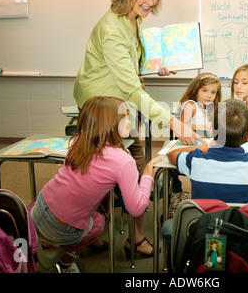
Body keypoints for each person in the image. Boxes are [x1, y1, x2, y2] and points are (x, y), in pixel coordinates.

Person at [73, 0, 202, 257]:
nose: (151, 2)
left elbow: (130, 72)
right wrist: (172, 122)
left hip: (119, 105)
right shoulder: (112, 28)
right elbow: (131, 89)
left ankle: (125, 234)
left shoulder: (134, 19)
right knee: (99, 169)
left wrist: (153, 68)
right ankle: (93, 233)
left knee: (127, 162)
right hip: (100, 108)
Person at [31, 96, 163, 272]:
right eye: (124, 118)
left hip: (38, 208)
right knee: (99, 221)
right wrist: (147, 174)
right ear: (108, 125)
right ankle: (65, 254)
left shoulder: (78, 141)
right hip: (61, 229)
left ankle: (45, 243)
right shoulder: (124, 161)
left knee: (100, 203)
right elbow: (137, 208)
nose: (129, 123)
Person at [161, 98, 248, 248]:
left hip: (201, 229)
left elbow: (172, 154)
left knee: (168, 228)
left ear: (211, 129)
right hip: (238, 230)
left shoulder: (196, 161)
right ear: (247, 136)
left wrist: (204, 148)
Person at [169, 72, 222, 191]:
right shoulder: (191, 105)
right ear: (196, 89)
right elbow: (184, 127)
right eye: (204, 90)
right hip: (190, 143)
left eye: (213, 92)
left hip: (205, 143)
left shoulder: (210, 107)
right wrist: (205, 127)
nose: (209, 95)